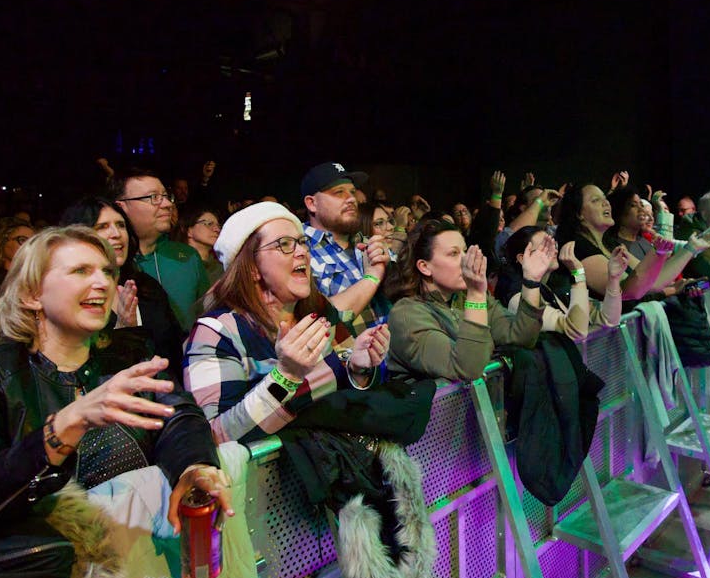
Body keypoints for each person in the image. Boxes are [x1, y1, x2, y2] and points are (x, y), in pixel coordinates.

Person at [0, 226, 230, 578]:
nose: (102, 281)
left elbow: (179, 418)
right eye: (80, 271)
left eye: (105, 270)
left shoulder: (128, 356)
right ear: (32, 294)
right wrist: (65, 425)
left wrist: (194, 467)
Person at [184, 201, 390, 444]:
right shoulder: (216, 333)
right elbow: (215, 435)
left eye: (302, 242)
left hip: (334, 466)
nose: (302, 251)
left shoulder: (320, 311)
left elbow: (348, 397)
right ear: (252, 268)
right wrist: (287, 376)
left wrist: (358, 368)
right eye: (284, 244)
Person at [383, 218, 553, 381]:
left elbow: (521, 336)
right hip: (433, 410)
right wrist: (476, 294)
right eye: (453, 253)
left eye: (465, 250)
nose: (465, 259)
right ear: (425, 267)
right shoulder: (406, 315)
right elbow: (468, 367)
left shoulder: (464, 297)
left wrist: (531, 281)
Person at [60, 196, 186, 380]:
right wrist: (124, 334)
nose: (116, 234)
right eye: (102, 227)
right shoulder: (74, 296)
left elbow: (174, 346)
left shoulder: (146, 286)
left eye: (121, 225)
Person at [554, 184, 710, 301]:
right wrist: (658, 253)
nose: (606, 203)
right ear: (578, 213)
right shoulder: (578, 248)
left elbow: (654, 282)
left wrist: (691, 248)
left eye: (604, 198)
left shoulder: (611, 244)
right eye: (596, 200)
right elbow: (625, 292)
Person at [108, 167, 209, 331]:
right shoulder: (107, 264)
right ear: (121, 207)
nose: (168, 204)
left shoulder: (187, 256)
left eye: (166, 196)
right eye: (154, 197)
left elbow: (208, 315)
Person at [300, 161, 391, 330]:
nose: (351, 199)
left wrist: (390, 268)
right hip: (350, 355)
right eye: (338, 192)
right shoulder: (300, 251)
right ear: (312, 203)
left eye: (352, 192)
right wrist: (372, 276)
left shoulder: (365, 241)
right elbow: (321, 324)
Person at [498, 226, 628, 340]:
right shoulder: (519, 299)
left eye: (553, 244)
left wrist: (613, 279)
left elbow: (608, 321)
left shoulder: (555, 287)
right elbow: (577, 332)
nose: (554, 250)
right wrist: (578, 274)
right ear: (522, 258)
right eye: (546, 246)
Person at [0, 217, 36, 299]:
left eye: (34, 242)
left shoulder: (38, 284)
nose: (29, 246)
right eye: (22, 240)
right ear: (3, 243)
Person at [178, 208, 224, 285]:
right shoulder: (178, 264)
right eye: (209, 224)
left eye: (218, 226)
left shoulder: (222, 269)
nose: (217, 230)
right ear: (188, 230)